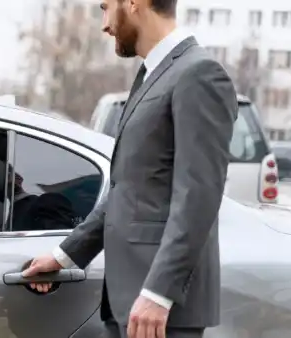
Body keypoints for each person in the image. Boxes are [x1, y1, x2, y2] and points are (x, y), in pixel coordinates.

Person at [21, 0, 238, 337]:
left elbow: (199, 196)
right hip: (128, 302)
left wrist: (159, 293)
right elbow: (130, 188)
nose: (104, 24)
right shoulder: (153, 73)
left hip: (162, 312)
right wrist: (65, 255)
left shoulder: (199, 73)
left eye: (106, 7)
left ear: (133, 3)